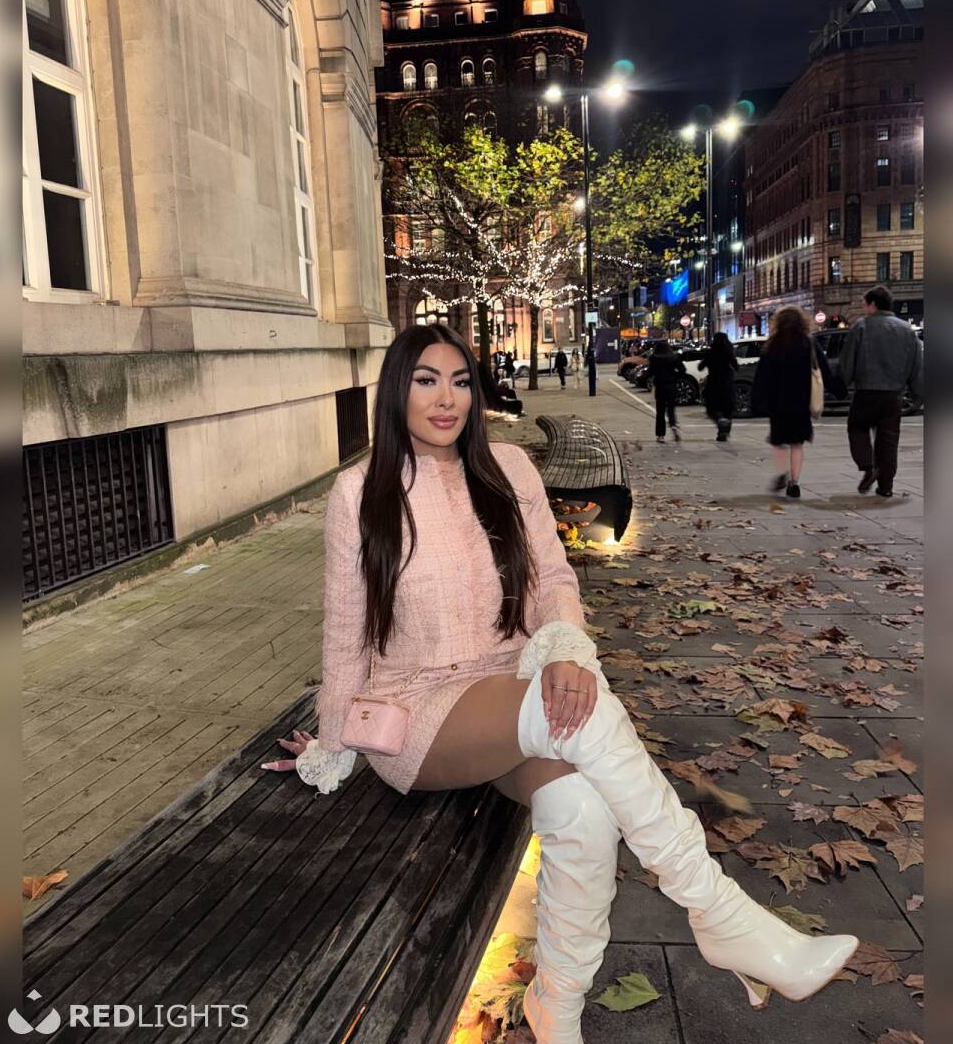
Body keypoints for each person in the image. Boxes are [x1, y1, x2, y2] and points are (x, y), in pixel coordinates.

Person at [262, 322, 858, 1044]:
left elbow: (551, 579)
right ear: (395, 391)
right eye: (426, 381)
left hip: (507, 688)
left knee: (580, 808)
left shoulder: (508, 469)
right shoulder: (359, 491)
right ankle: (720, 914)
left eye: (460, 381)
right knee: (569, 711)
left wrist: (567, 649)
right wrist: (332, 745)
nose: (447, 399)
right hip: (418, 710)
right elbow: (345, 631)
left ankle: (557, 1006)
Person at [838, 285, 923, 497]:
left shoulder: (861, 326)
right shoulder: (907, 330)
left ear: (873, 304)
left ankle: (868, 466)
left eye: (865, 304)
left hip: (865, 392)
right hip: (893, 395)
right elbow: (916, 366)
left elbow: (848, 361)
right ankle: (886, 487)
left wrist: (842, 385)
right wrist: (918, 396)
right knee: (889, 441)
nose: (864, 308)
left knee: (857, 429)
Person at [751, 307, 844, 498]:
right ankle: (794, 482)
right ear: (802, 322)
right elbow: (823, 371)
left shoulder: (772, 345)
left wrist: (757, 401)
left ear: (779, 322)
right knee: (796, 443)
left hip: (778, 403)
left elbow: (762, 377)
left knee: (778, 441)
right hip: (801, 402)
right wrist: (838, 390)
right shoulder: (809, 343)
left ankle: (782, 471)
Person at [698, 332, 738, 441]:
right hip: (727, 383)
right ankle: (724, 432)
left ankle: (720, 420)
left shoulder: (711, 352)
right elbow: (736, 366)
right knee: (727, 409)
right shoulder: (729, 352)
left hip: (714, 382)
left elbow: (700, 367)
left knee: (712, 407)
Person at [645, 340, 685, 443]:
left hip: (660, 387)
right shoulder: (674, 357)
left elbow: (650, 373)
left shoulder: (654, 358)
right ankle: (674, 426)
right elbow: (683, 370)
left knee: (660, 412)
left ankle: (661, 435)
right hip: (672, 386)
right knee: (671, 410)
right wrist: (675, 377)